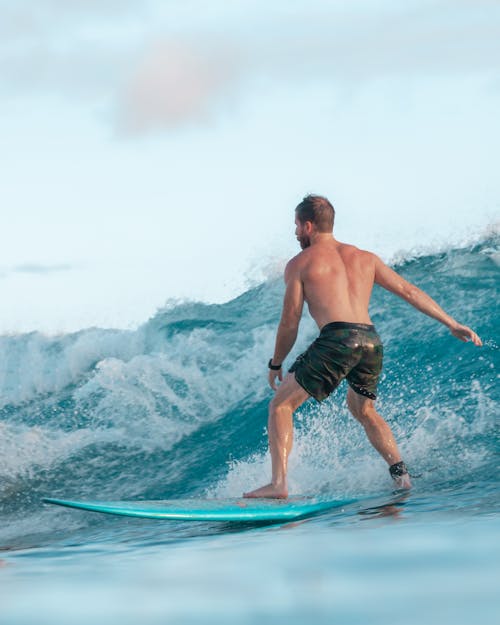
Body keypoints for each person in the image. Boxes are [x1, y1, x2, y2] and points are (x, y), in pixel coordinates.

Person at [243, 194, 482, 499]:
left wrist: (276, 363)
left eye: (296, 227)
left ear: (307, 225)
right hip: (370, 341)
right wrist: (451, 322)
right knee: (364, 409)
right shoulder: (365, 258)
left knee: (281, 405)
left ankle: (278, 485)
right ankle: (401, 476)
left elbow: (290, 321)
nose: (295, 233)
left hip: (338, 339)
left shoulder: (300, 263)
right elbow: (408, 290)